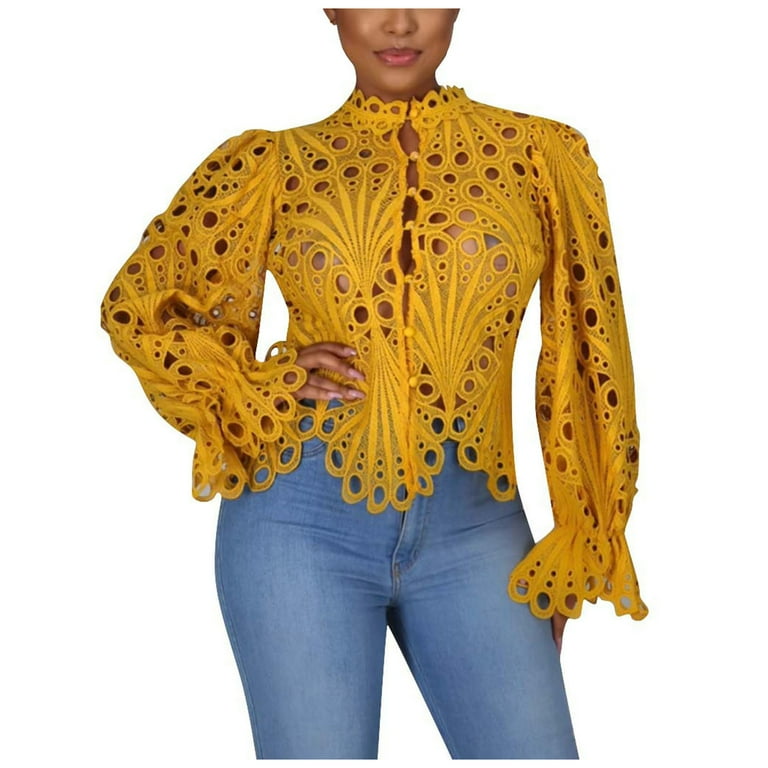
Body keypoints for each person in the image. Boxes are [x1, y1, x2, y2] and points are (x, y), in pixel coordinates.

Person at [100, 7, 647, 759]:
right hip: (297, 524)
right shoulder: (273, 164)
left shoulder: (541, 156)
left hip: (479, 528)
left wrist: (586, 528)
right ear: (330, 8)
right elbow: (140, 309)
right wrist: (262, 382)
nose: (399, 22)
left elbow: (591, 348)